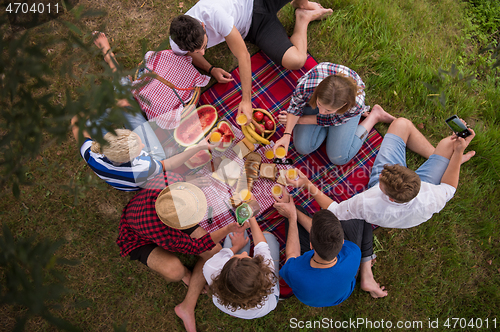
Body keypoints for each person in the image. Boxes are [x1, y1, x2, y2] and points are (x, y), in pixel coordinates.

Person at [71, 33, 212, 191]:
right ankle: (114, 69)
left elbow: (76, 122)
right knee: (128, 104)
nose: (144, 144)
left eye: (137, 140)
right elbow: (169, 166)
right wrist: (196, 153)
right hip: (142, 173)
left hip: (120, 161)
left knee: (98, 117)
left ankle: (115, 75)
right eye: (140, 146)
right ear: (132, 158)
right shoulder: (144, 166)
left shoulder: (92, 153)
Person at [117, 172, 248, 332]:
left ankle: (187, 306)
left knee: (215, 251)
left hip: (165, 209)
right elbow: (199, 246)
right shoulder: (167, 235)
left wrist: (190, 181)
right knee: (175, 272)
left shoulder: (172, 179)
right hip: (137, 238)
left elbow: (177, 177)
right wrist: (228, 229)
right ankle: (186, 275)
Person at [169, 0, 333, 125]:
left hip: (259, 2)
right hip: (256, 28)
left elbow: (243, 56)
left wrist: (246, 100)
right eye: (198, 51)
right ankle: (302, 18)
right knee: (297, 61)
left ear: (203, 25)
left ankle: (301, 3)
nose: (203, 53)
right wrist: (210, 68)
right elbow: (190, 54)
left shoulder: (214, 14)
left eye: (204, 46)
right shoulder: (177, 42)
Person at [294, 117, 476, 229]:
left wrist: (306, 184)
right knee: (450, 143)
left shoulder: (369, 201)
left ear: (386, 194)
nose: (380, 173)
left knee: (401, 124)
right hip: (414, 197)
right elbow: (449, 187)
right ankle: (448, 159)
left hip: (387, 207)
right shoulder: (431, 197)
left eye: (381, 177)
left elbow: (335, 211)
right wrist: (458, 152)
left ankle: (445, 160)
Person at [274, 188, 387, 307]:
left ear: (311, 245)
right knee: (360, 213)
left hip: (311, 292)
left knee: (296, 215)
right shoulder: (352, 253)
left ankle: (367, 276)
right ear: (343, 241)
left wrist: (292, 216)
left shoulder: (294, 271)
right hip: (342, 289)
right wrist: (293, 211)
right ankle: (366, 271)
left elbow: (292, 253)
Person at [274, 63, 395, 164]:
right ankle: (331, 124)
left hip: (341, 116)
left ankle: (374, 116)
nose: (321, 112)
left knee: (339, 158)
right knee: (302, 147)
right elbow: (295, 107)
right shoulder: (307, 86)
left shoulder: (354, 105)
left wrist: (299, 120)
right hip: (330, 107)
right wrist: (286, 135)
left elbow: (330, 120)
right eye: (319, 104)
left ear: (343, 106)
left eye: (328, 111)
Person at [202, 216, 279, 319]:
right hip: (263, 304)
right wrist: (252, 217)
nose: (244, 252)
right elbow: (262, 246)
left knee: (235, 234)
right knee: (268, 237)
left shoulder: (211, 267)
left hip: (226, 304)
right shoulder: (266, 275)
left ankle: (233, 309)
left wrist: (236, 246)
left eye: (237, 256)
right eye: (247, 257)